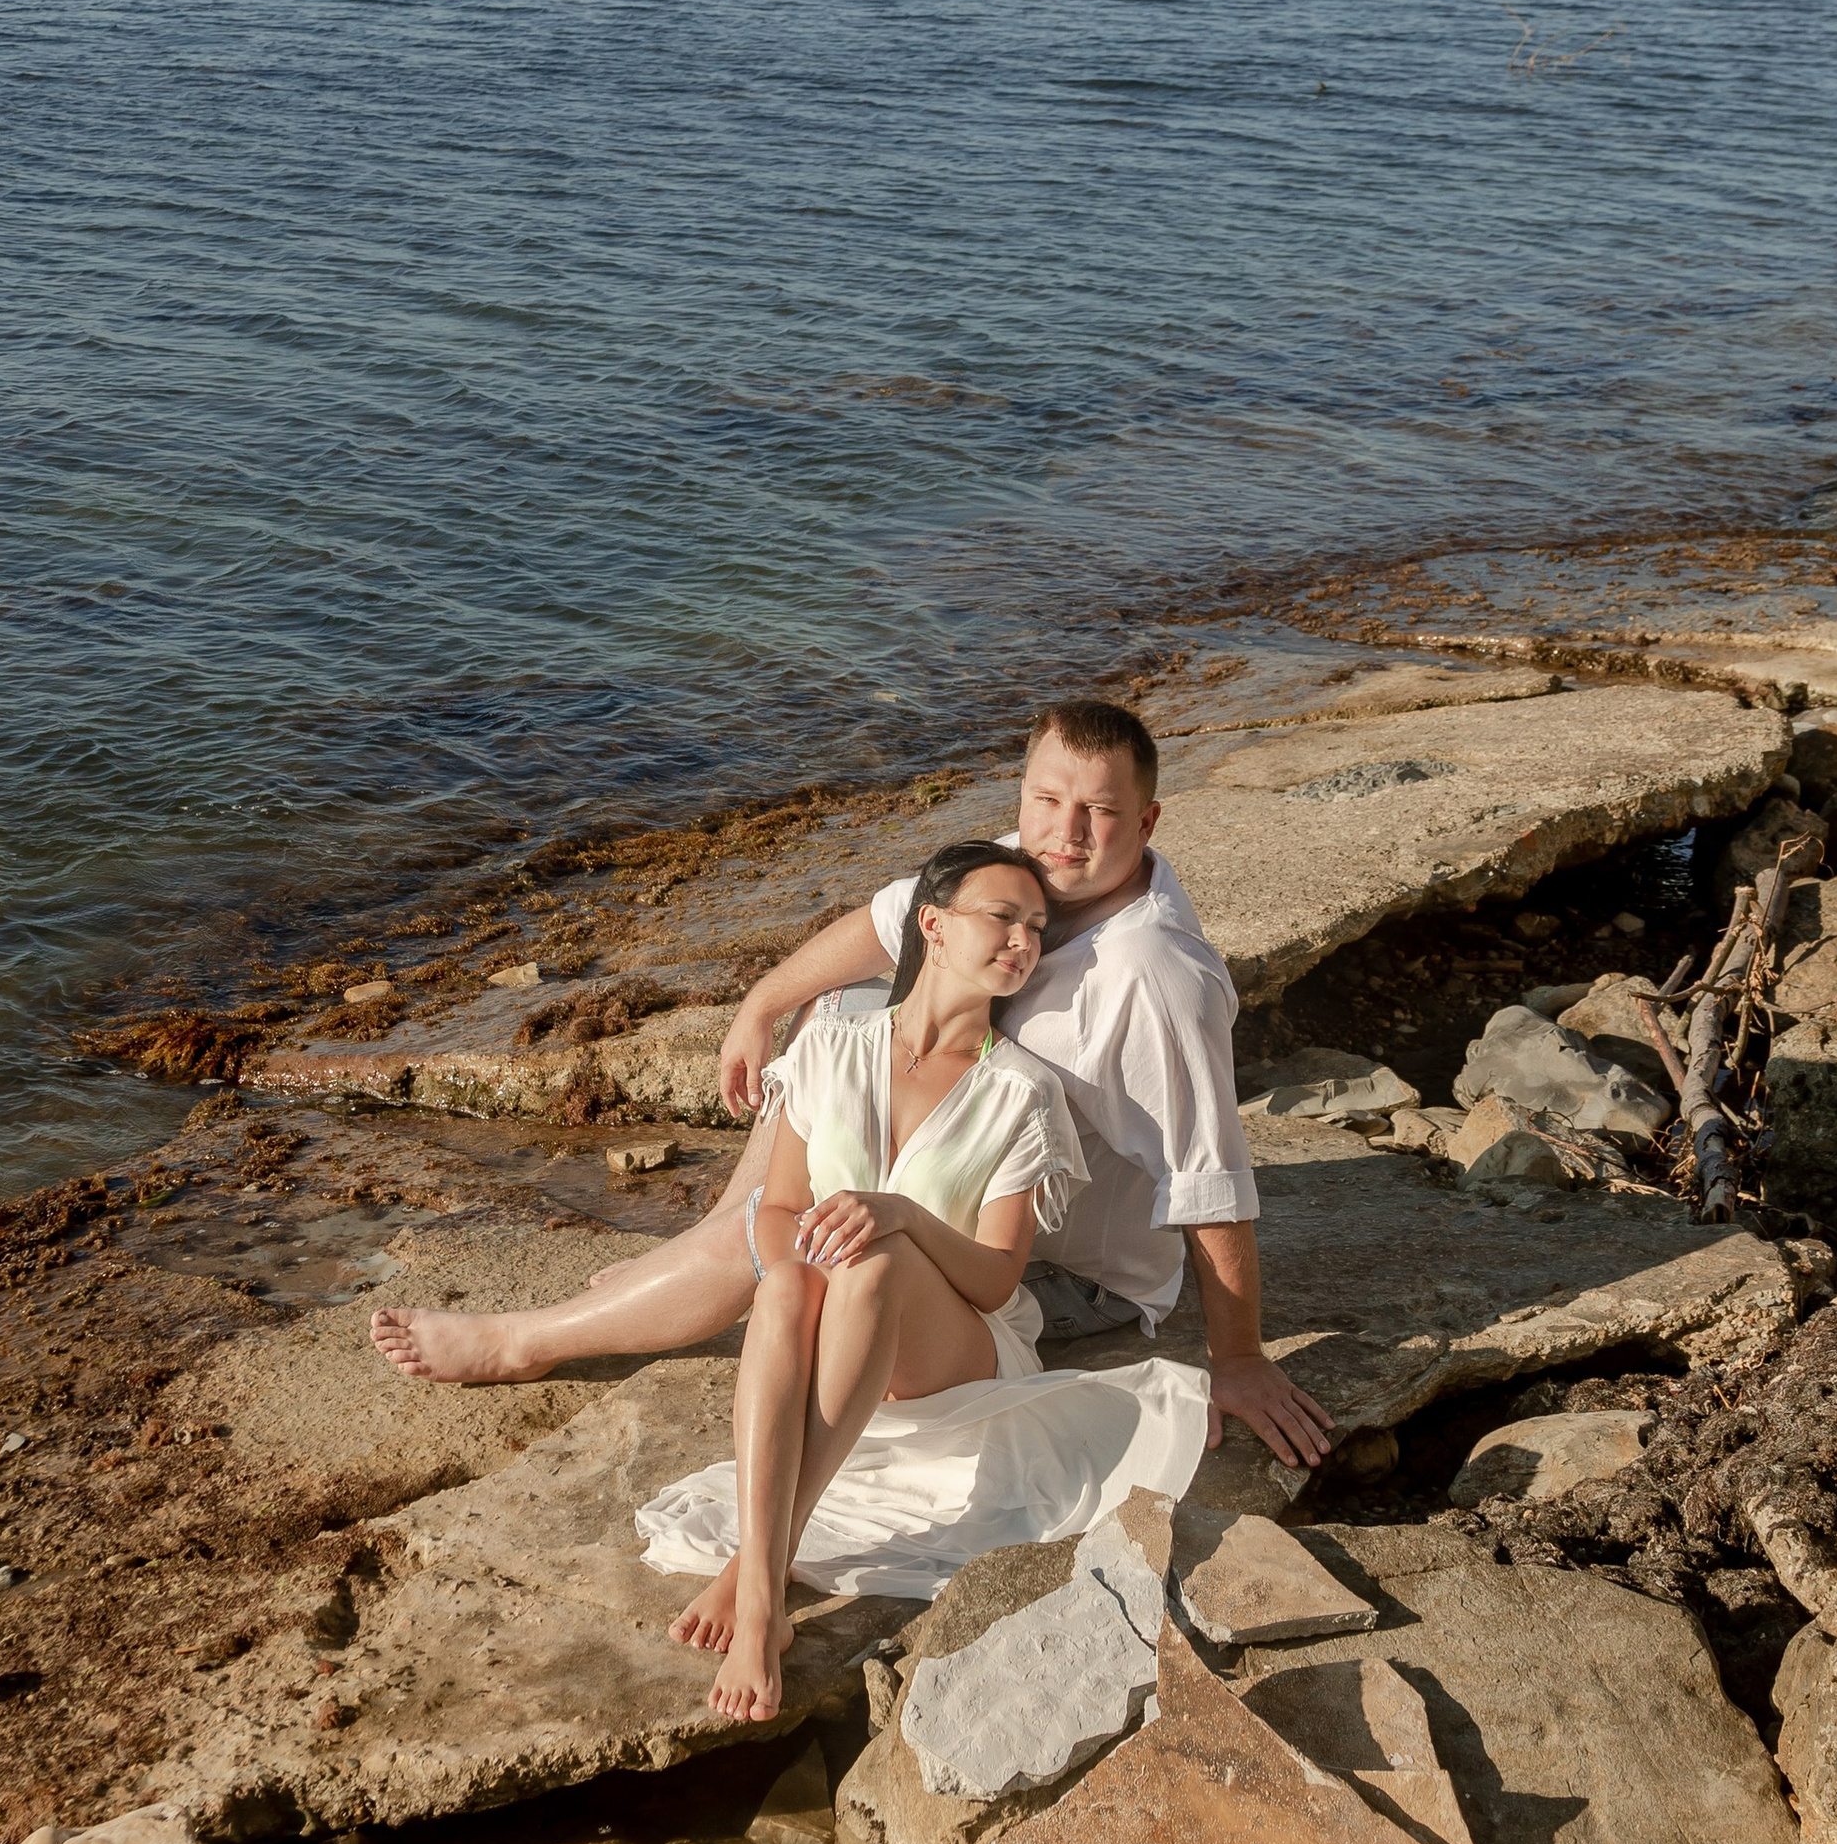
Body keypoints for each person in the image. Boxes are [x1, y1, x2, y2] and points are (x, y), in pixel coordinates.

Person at [368, 698, 1332, 1473]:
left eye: (1100, 814)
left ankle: (528, 1339)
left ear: (1147, 821)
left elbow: (1210, 1176)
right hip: (941, 1179)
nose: (1065, 832)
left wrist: (1238, 1361)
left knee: (798, 1240)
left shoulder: (1152, 977)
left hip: (1052, 1267)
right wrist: (761, 1000)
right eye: (1045, 800)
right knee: (842, 1019)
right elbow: (893, 922)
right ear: (1027, 790)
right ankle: (716, 1246)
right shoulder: (1032, 866)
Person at [638, 837, 1203, 1722]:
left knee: (883, 1257)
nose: (1023, 939)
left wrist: (902, 1215)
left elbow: (992, 1280)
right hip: (831, 1322)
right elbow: (779, 1209)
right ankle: (766, 1579)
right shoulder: (830, 1046)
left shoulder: (1022, 1093)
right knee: (785, 1282)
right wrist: (812, 1274)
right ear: (932, 926)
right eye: (1002, 917)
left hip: (960, 1352)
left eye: (1037, 927)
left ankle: (758, 1581)